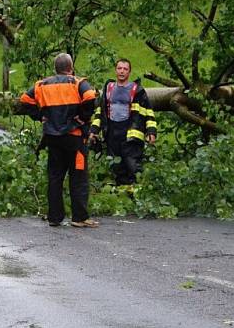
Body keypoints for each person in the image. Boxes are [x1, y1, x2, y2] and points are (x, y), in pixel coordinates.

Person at [19, 53, 98, 228]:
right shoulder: (78, 83)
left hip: (53, 138)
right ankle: (79, 217)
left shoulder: (42, 84)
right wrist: (82, 118)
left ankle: (54, 217)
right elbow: (91, 96)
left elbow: (25, 99)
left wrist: (40, 116)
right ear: (71, 68)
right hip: (74, 137)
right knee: (78, 176)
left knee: (55, 177)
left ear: (55, 69)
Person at [89, 58, 157, 185]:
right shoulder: (108, 89)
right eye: (119, 68)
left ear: (129, 72)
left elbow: (148, 111)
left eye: (125, 69)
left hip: (130, 134)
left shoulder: (137, 91)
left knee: (133, 166)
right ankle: (122, 195)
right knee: (116, 167)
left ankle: (138, 197)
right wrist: (94, 130)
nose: (122, 71)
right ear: (115, 70)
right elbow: (100, 112)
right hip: (112, 134)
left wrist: (151, 131)